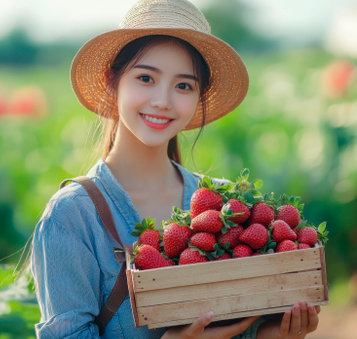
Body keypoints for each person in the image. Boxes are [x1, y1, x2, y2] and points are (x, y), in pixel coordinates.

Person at [31, 0, 321, 338]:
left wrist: (271, 334)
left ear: (199, 97)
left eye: (183, 85)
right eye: (146, 78)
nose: (163, 100)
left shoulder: (226, 205)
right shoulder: (72, 216)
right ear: (113, 82)